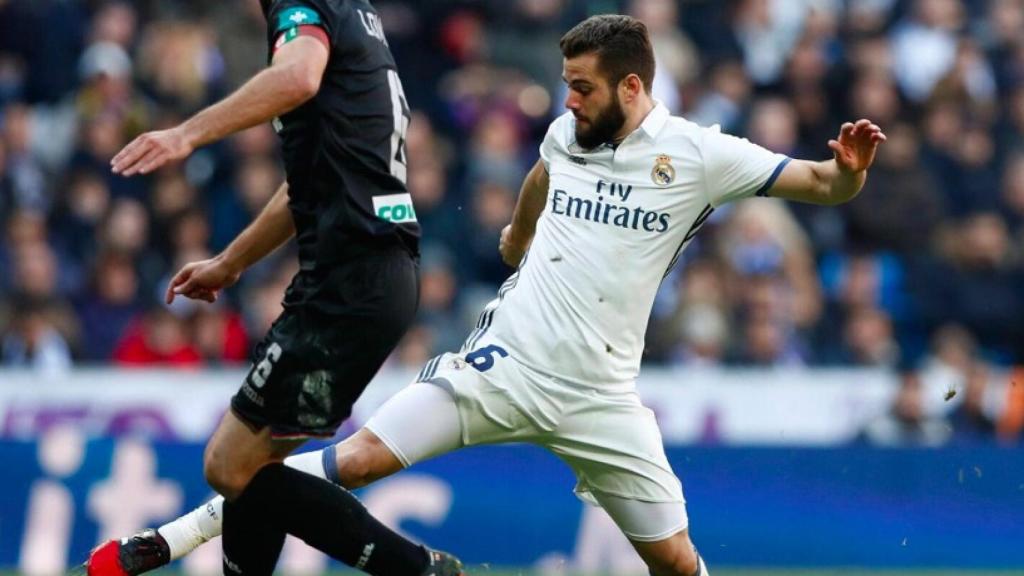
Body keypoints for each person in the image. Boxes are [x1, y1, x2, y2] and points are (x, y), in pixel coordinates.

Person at [96, 14, 886, 576]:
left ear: (633, 86)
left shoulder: (702, 155)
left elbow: (818, 184)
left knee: (677, 563)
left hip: (601, 396)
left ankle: (170, 540)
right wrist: (517, 236)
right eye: (566, 87)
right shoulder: (564, 135)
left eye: (582, 89)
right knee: (353, 461)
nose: (567, 102)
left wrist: (848, 171)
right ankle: (170, 540)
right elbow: (544, 174)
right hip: (500, 364)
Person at [82, 1, 463, 575]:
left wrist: (189, 133)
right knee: (252, 468)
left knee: (229, 467)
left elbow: (298, 74)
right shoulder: (354, 16)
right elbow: (305, 184)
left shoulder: (305, 9)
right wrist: (231, 263)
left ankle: (416, 569)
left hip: (347, 278)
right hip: (371, 273)